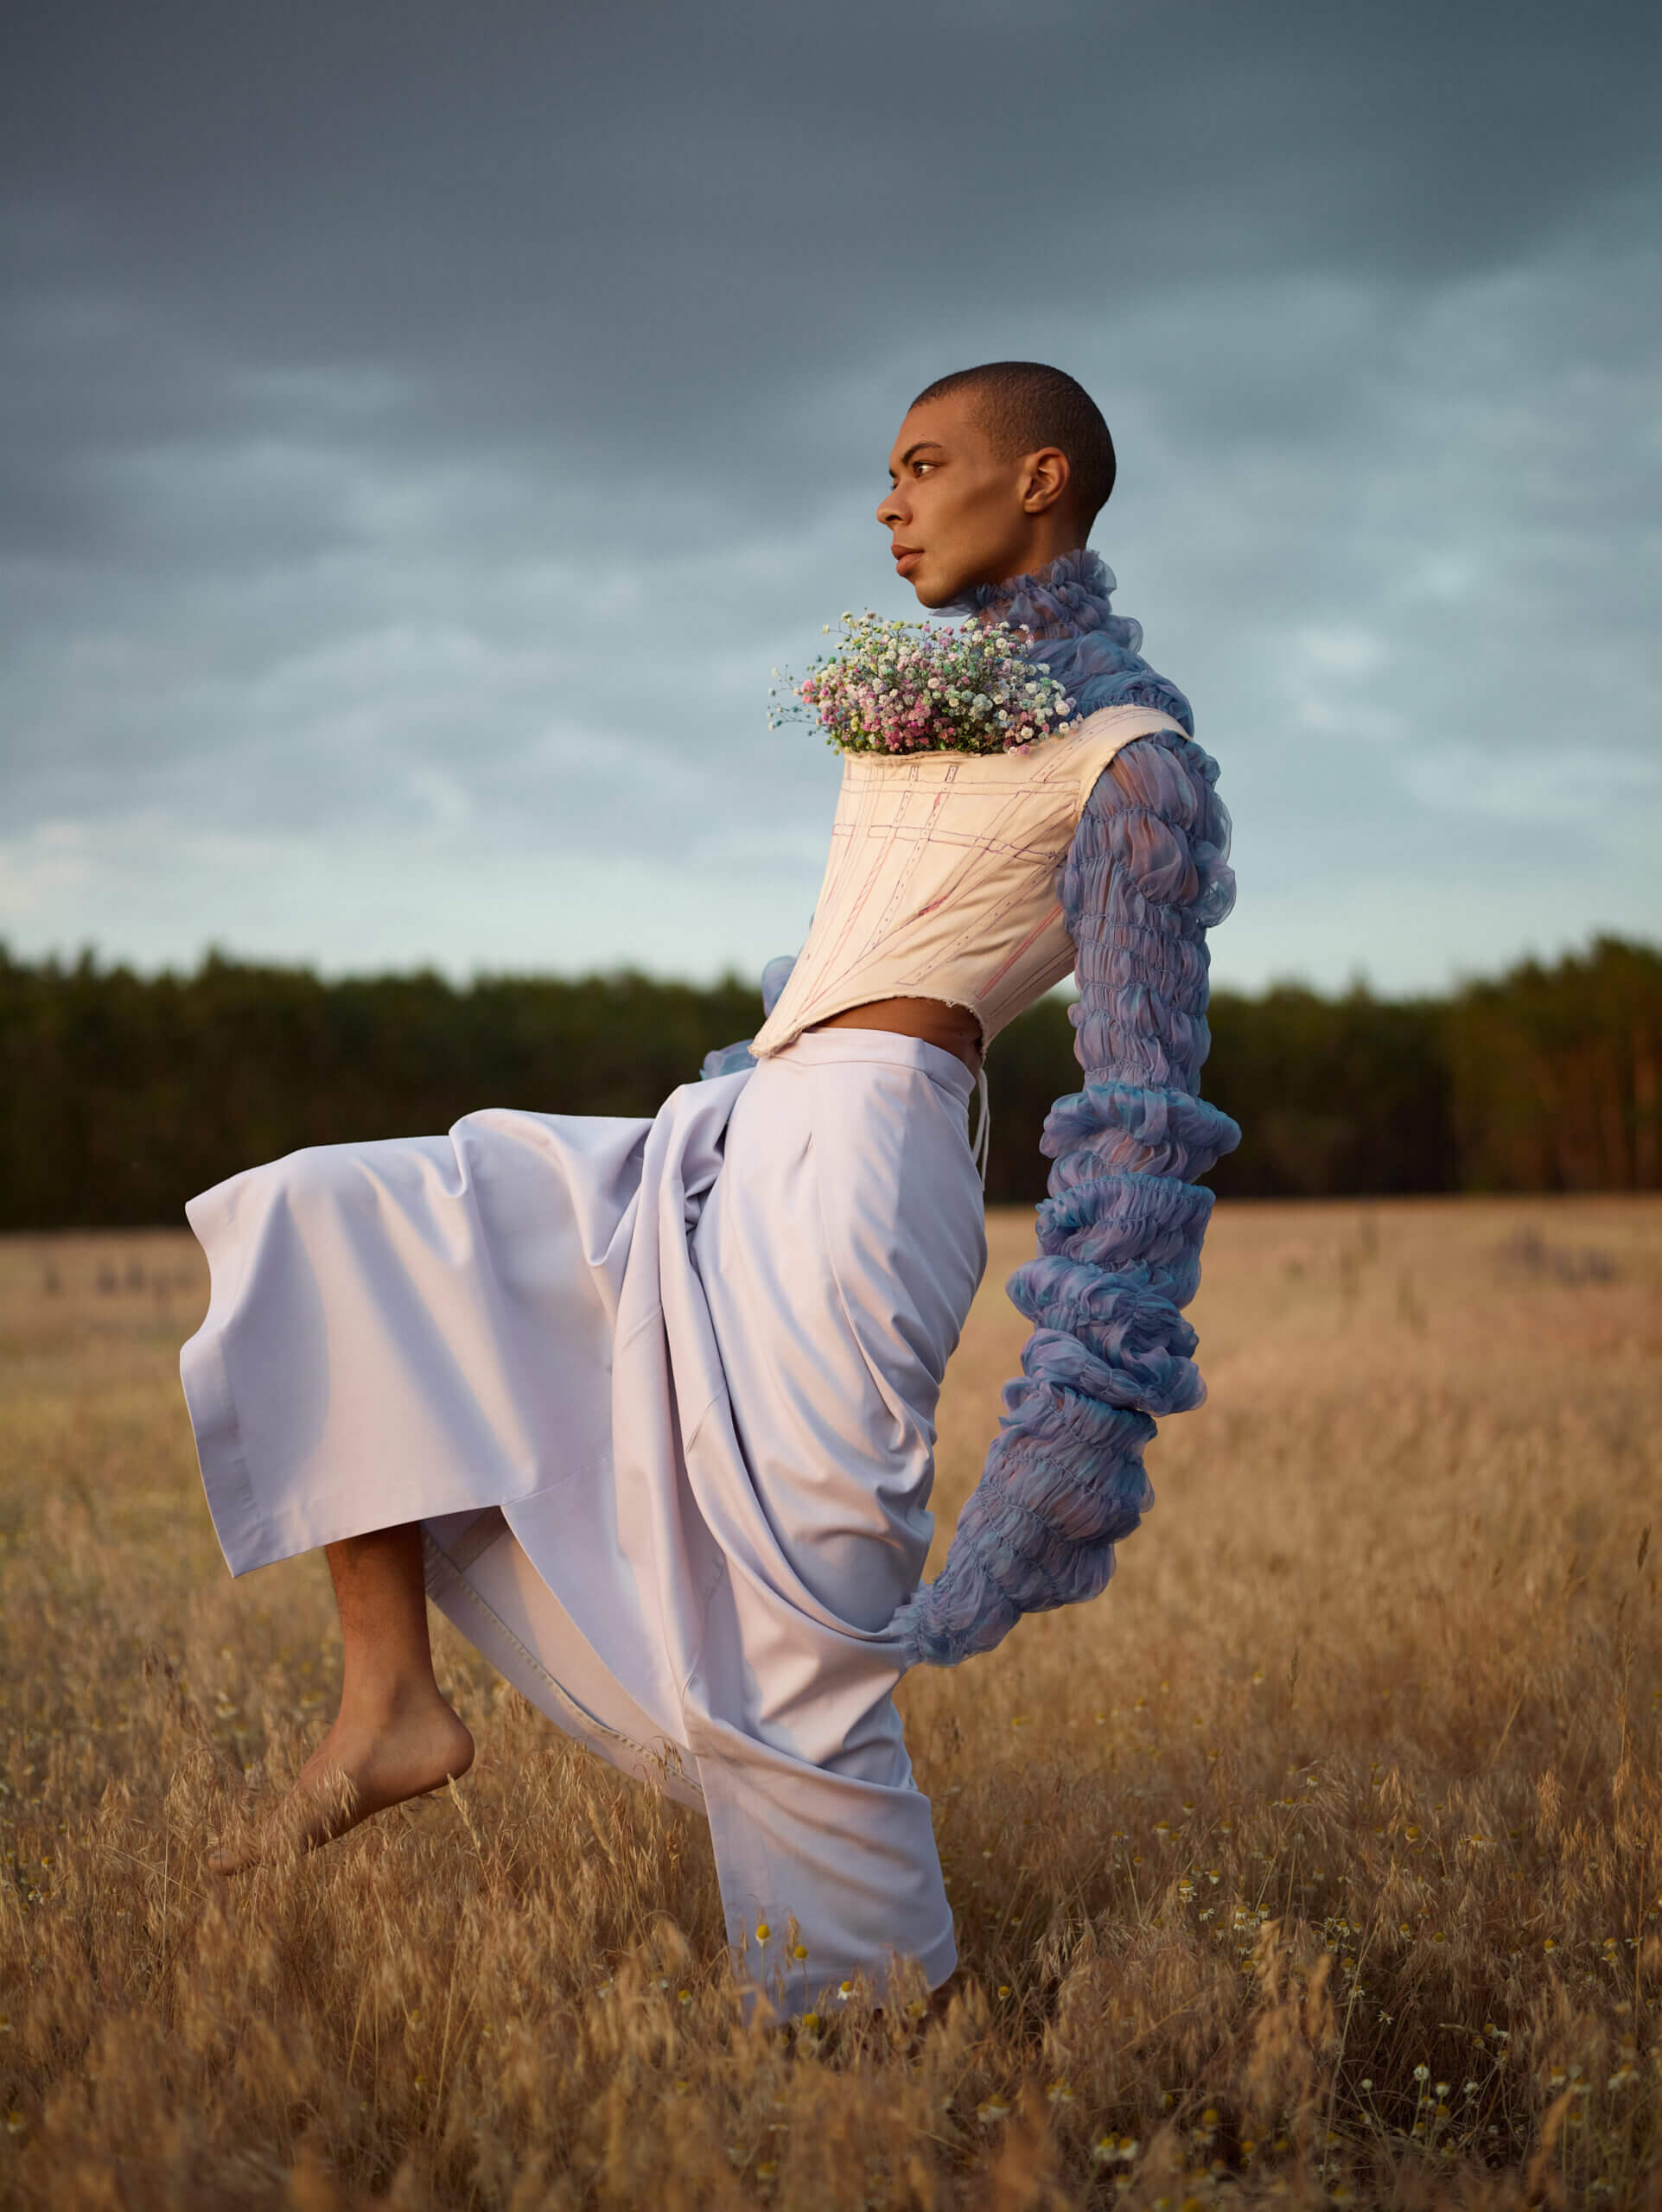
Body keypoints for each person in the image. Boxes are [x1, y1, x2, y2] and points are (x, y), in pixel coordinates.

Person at [180, 360, 1238, 2020]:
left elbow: (1142, 1109)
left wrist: (1074, 1423)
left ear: (1040, 480)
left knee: (799, 1640)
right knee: (341, 1215)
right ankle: (387, 1706)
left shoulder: (1135, 757)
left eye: (921, 465)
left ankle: (875, 2036)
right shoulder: (940, 691)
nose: (888, 503)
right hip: (739, 1126)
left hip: (867, 1167)